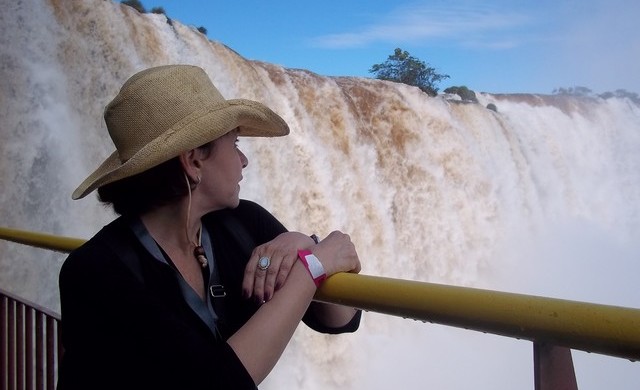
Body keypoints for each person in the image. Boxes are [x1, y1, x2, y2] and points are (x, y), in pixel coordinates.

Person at [57, 64, 362, 390]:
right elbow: (214, 382)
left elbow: (341, 321)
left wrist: (306, 246)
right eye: (234, 144)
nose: (243, 161)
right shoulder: (94, 271)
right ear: (194, 160)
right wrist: (312, 267)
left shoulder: (244, 223)